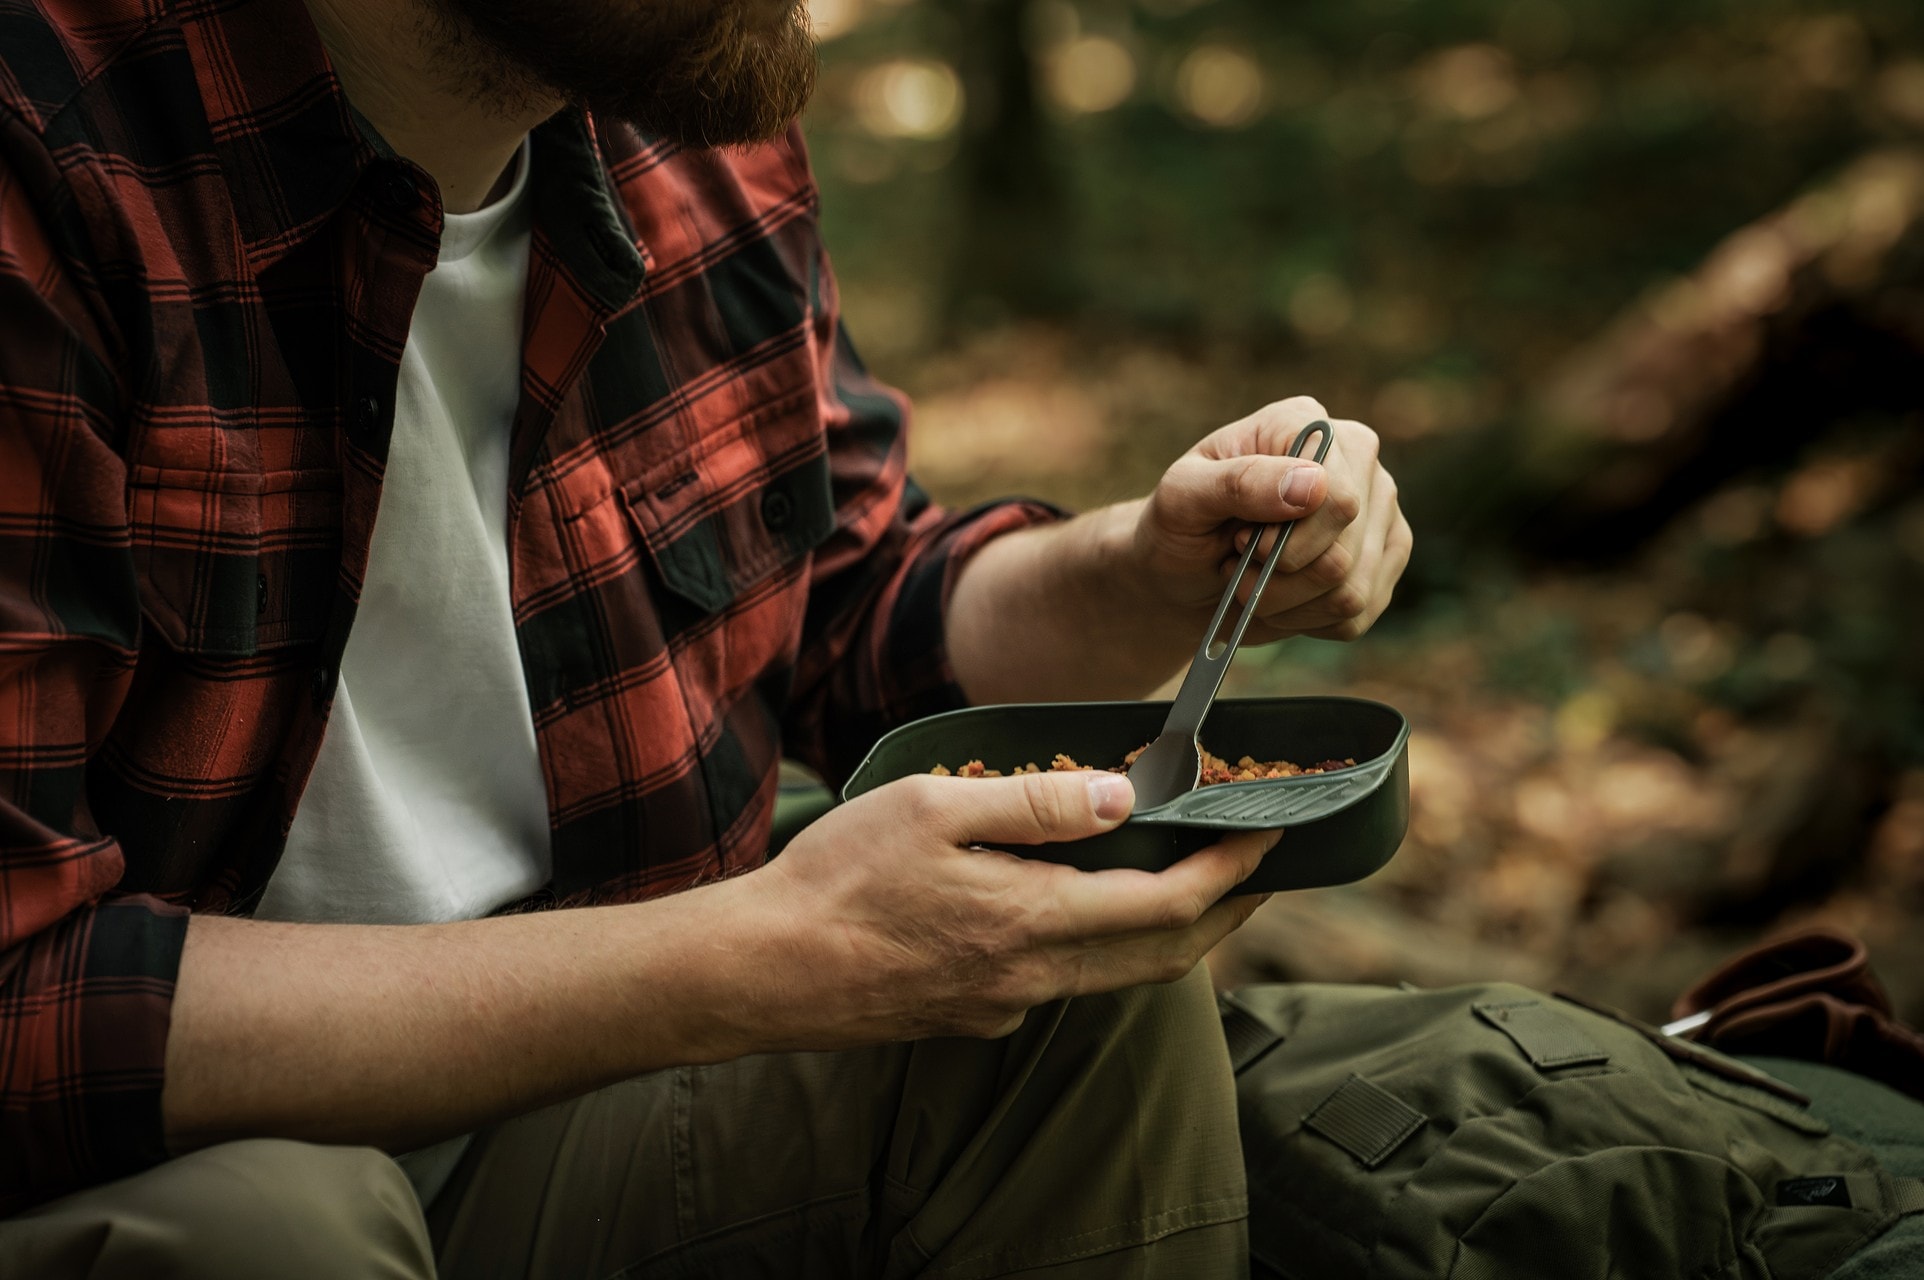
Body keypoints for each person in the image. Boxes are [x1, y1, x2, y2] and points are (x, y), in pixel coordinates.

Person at [0, 0, 1412, 1274]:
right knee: (271, 1240)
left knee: (1060, 989)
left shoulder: (687, 110)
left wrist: (1144, 572)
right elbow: (21, 999)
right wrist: (764, 953)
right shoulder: (47, 154)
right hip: (159, 1174)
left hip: (570, 1120)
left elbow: (848, 604)